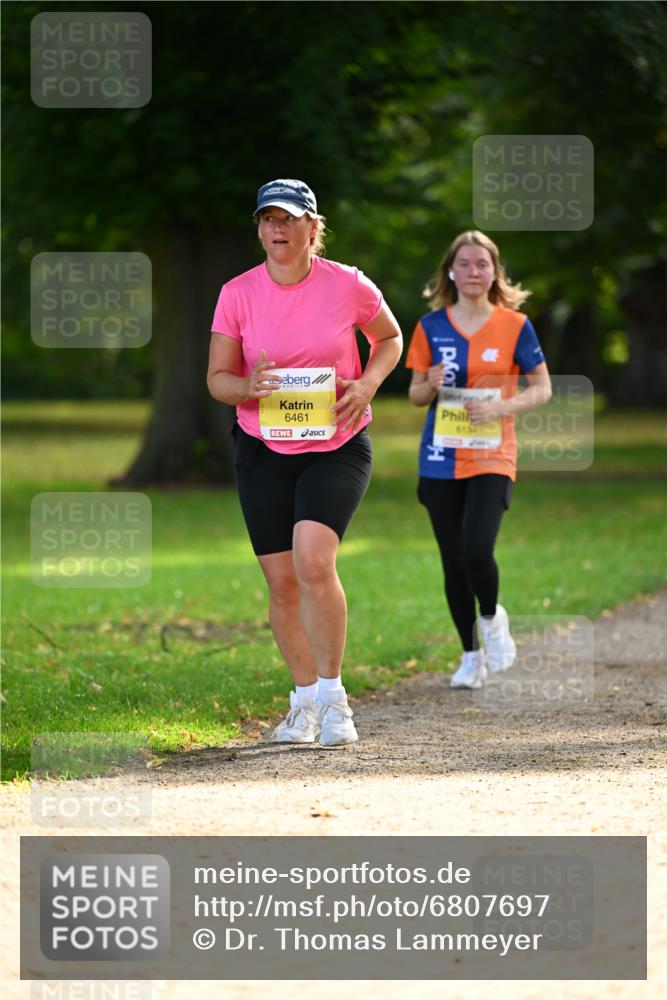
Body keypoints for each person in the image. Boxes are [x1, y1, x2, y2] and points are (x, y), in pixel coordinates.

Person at [207, 179, 402, 746]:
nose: (277, 230)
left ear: (313, 228)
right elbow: (217, 379)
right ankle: (304, 703)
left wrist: (367, 383)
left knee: (314, 561)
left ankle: (336, 699)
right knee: (282, 581)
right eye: (268, 220)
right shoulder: (237, 293)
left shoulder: (347, 284)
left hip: (337, 445)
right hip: (262, 448)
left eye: (289, 220)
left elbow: (389, 339)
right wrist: (247, 385)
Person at [406, 230, 551, 689]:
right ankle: (470, 657)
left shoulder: (515, 325)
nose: (473, 272)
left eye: (482, 264)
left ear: (495, 272)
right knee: (453, 562)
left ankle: (491, 618)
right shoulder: (430, 326)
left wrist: (502, 408)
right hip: (439, 457)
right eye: (464, 264)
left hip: (493, 454)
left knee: (476, 550)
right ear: (450, 270)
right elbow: (414, 395)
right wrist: (429, 383)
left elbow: (543, 388)